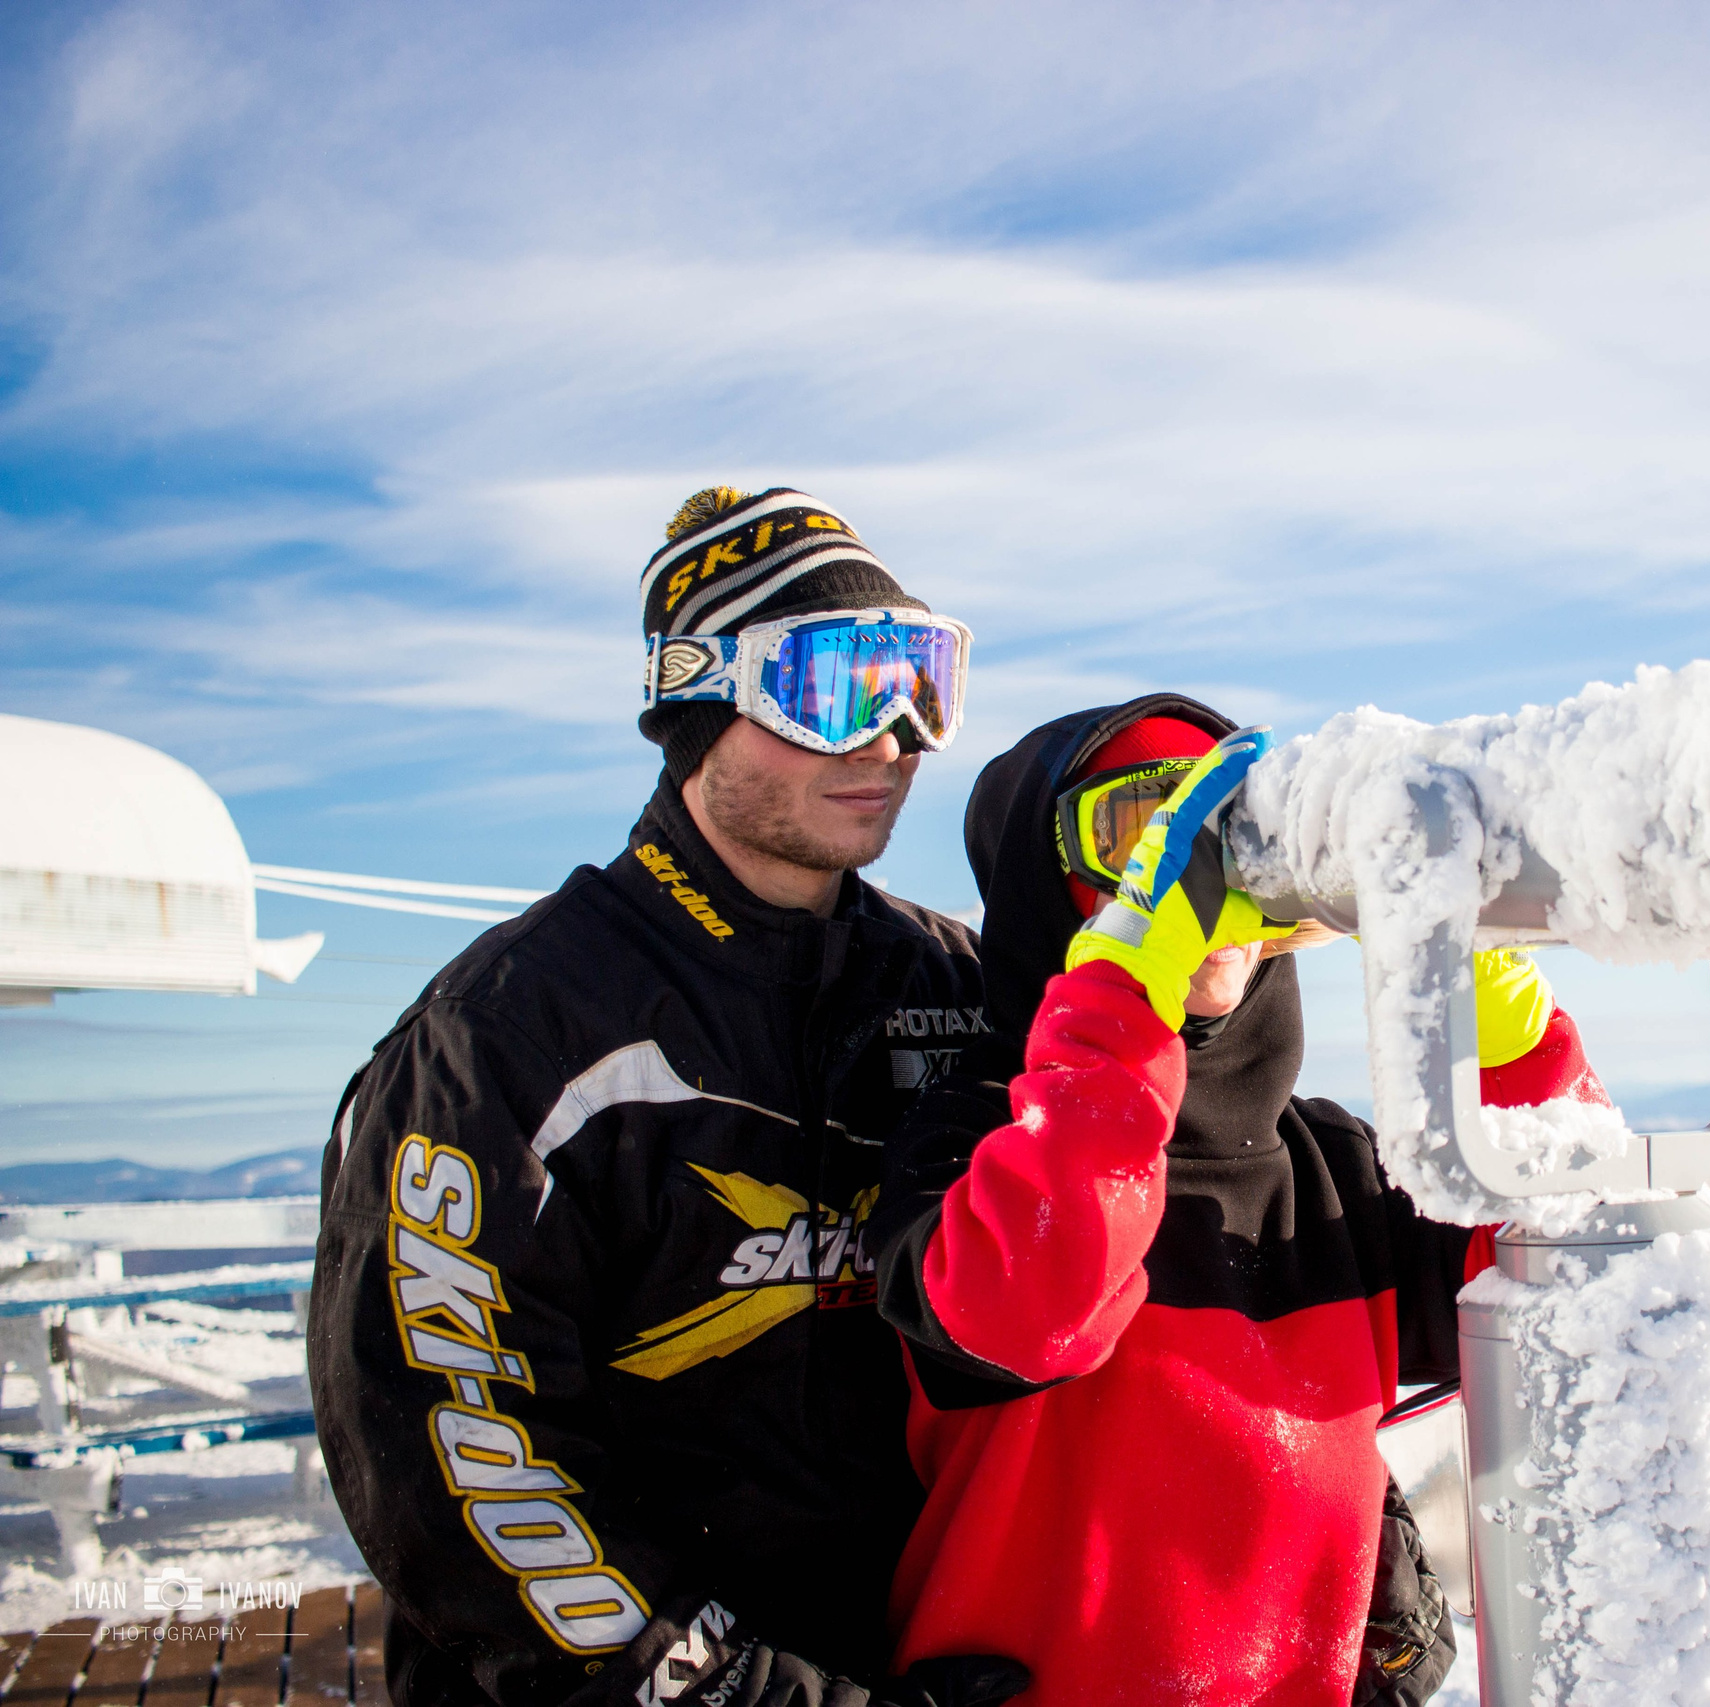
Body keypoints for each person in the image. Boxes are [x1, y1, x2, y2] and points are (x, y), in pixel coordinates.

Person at [309, 487, 1029, 1707]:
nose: (895, 737)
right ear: (698, 699)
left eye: (923, 680)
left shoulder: (956, 986)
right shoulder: (511, 1034)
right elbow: (462, 1451)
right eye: (836, 686)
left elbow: (1151, 1272)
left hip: (923, 1656)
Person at [868, 696, 1613, 1706]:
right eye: (1140, 844)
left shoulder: (1334, 1168)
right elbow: (1030, 1309)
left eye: (1236, 840)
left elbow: (1568, 1264)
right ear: (1047, 889)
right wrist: (1126, 986)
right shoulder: (978, 1140)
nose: (1199, 888)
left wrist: (1508, 1040)